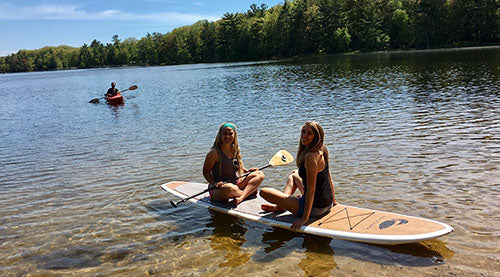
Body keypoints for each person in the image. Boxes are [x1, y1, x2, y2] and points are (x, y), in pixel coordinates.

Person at [259, 121, 337, 229]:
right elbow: (328, 176)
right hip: (327, 204)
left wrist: (305, 218)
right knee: (294, 174)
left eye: (309, 133)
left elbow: (311, 190)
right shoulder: (322, 150)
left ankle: (281, 206)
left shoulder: (310, 157)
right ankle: (281, 206)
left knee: (264, 192)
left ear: (316, 137)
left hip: (316, 208)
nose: (304, 136)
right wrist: (333, 200)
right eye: (303, 132)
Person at [203, 122, 265, 206]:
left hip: (235, 182)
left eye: (230, 134)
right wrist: (214, 183)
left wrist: (247, 171)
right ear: (220, 135)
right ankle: (248, 192)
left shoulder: (234, 149)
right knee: (231, 188)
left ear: (234, 135)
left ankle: (241, 196)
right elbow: (206, 172)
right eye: (224, 133)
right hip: (220, 188)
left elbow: (236, 166)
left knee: (259, 174)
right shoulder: (214, 153)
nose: (227, 136)